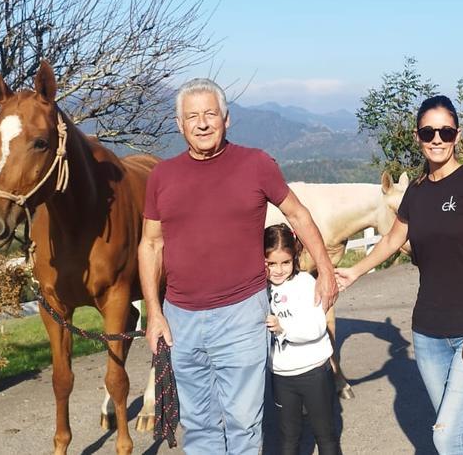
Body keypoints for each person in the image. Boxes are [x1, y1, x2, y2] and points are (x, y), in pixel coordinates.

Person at [138, 78, 338, 454]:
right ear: (180, 125)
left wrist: (324, 269)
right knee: (198, 425)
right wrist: (154, 312)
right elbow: (150, 244)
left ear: (226, 119)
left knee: (244, 424)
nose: (202, 123)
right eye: (192, 116)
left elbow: (298, 214)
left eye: (210, 114)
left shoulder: (256, 164)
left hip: (242, 313)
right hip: (180, 317)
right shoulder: (161, 177)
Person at [336, 95, 463, 455]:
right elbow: (390, 241)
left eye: (445, 132)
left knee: (448, 437)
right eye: (428, 131)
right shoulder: (415, 192)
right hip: (429, 334)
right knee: (456, 433)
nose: (436, 139)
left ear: (457, 136)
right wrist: (354, 272)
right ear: (418, 136)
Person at [264, 223, 342, 455]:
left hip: (313, 373)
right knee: (288, 439)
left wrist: (282, 328)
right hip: (281, 375)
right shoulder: (260, 290)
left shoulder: (306, 283)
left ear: (295, 257)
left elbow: (317, 327)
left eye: (285, 262)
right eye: (271, 263)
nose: (278, 270)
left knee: (325, 436)